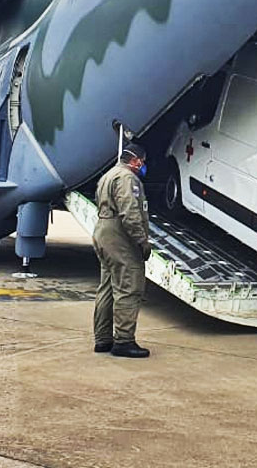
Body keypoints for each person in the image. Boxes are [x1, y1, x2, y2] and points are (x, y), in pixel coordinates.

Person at [93, 142, 152, 358]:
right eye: (142, 162)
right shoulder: (128, 178)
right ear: (135, 160)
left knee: (107, 287)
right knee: (129, 287)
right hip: (120, 236)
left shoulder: (108, 174)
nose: (143, 166)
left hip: (103, 231)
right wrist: (142, 241)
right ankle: (124, 341)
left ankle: (103, 339)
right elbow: (130, 212)